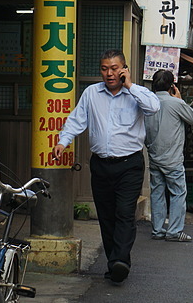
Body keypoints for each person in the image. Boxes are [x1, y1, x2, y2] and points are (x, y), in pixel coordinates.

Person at [53, 50, 160, 284]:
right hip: (101, 165)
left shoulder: (136, 93)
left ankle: (120, 260)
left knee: (123, 213)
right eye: (104, 69)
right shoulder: (92, 93)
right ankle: (115, 264)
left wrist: (130, 85)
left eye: (114, 68)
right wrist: (63, 141)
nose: (109, 73)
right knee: (106, 216)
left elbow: (153, 108)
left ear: (123, 69)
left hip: (129, 164)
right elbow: (77, 119)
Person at [145, 70, 193, 242]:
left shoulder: (148, 102)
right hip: (173, 158)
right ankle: (174, 231)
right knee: (177, 192)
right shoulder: (175, 103)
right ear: (172, 86)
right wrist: (180, 98)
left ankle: (158, 230)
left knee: (157, 192)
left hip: (154, 155)